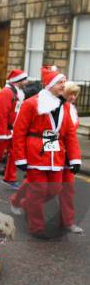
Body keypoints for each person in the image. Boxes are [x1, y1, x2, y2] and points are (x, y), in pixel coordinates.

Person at [10, 66, 81, 238]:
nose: (63, 86)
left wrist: (75, 159)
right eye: (60, 83)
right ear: (50, 84)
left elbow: (70, 135)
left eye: (64, 82)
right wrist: (20, 158)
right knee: (38, 189)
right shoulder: (31, 103)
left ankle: (28, 204)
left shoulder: (63, 106)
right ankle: (36, 227)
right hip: (35, 151)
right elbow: (19, 132)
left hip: (55, 152)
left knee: (55, 189)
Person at [0, 69, 28, 190]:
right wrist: (1, 133)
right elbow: (1, 114)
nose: (26, 82)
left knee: (14, 154)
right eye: (24, 79)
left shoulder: (16, 93)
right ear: (17, 81)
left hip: (12, 130)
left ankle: (10, 178)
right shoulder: (6, 93)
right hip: (2, 131)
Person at [58, 81, 83, 234]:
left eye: (75, 94)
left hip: (68, 156)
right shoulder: (55, 108)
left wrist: (74, 158)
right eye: (70, 94)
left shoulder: (72, 109)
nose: (73, 97)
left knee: (68, 190)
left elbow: (72, 137)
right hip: (54, 155)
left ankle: (67, 222)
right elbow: (50, 133)